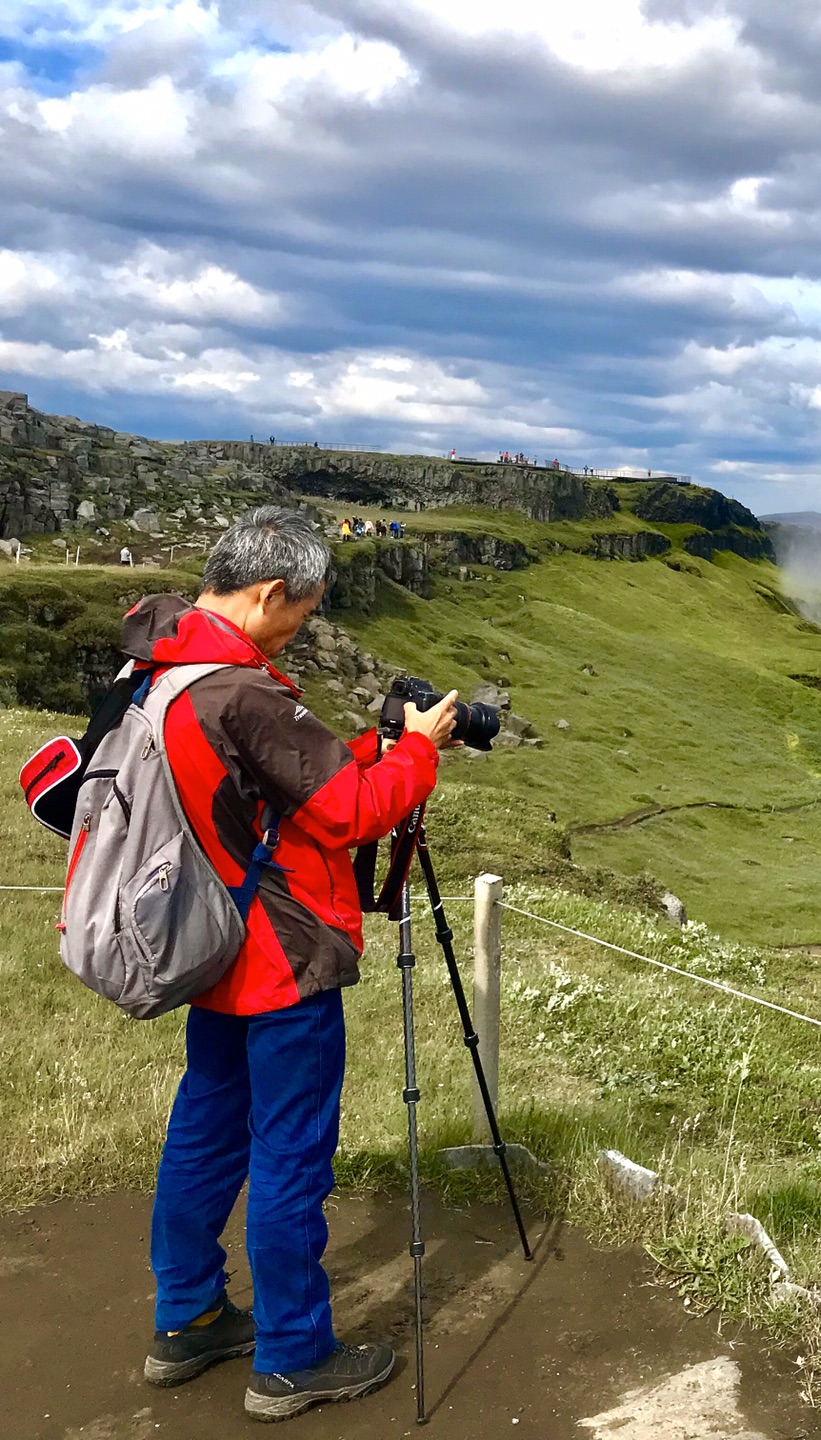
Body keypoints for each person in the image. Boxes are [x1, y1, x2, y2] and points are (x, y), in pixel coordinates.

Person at [129, 508, 459, 1421]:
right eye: (304, 611)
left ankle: (187, 1315)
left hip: (208, 944)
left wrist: (367, 750)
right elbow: (352, 815)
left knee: (205, 1129)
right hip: (279, 957)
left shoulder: (159, 666)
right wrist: (419, 753)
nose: (303, 625)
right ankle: (293, 1356)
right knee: (290, 1154)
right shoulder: (241, 692)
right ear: (271, 592)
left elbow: (272, 792)